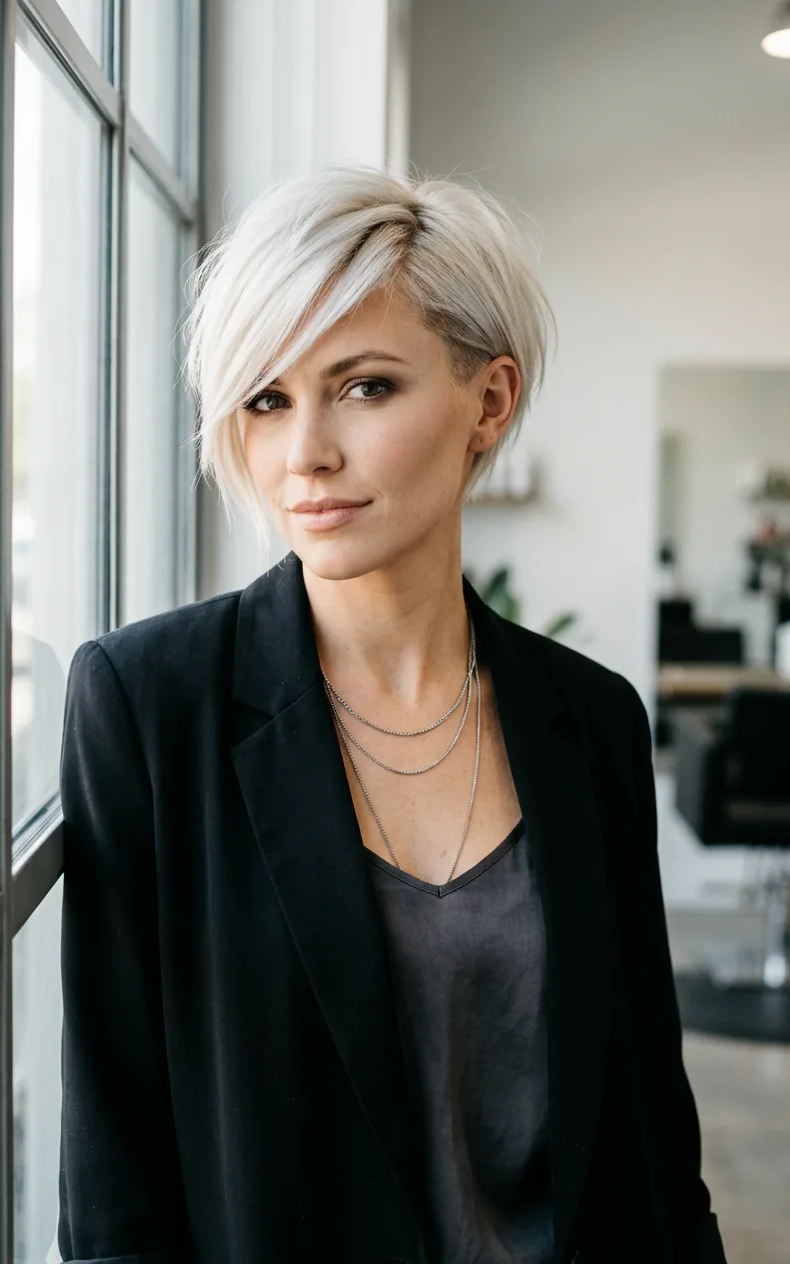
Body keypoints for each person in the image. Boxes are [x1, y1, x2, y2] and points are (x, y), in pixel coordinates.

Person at [57, 165, 727, 1264]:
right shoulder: (148, 704)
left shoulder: (590, 721)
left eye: (363, 386)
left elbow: (649, 1119)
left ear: (489, 398)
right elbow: (113, 1168)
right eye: (266, 398)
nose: (303, 453)